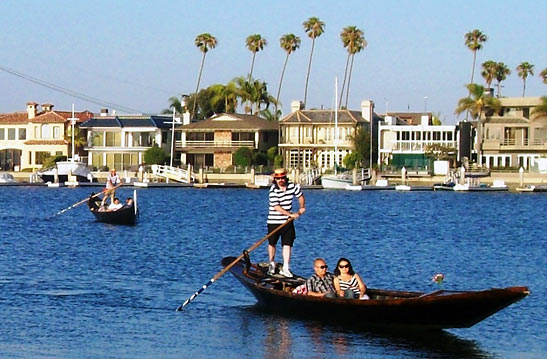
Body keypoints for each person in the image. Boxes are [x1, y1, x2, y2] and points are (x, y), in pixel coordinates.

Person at [267, 168, 306, 278]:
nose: (280, 180)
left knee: (287, 244)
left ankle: (286, 267)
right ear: (275, 179)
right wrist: (291, 214)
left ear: (285, 178)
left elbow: (300, 196)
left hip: (287, 222)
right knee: (272, 243)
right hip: (274, 221)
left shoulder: (293, 186)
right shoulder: (273, 190)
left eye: (282, 178)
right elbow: (276, 207)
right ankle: (272, 263)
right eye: (278, 178)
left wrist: (302, 207)